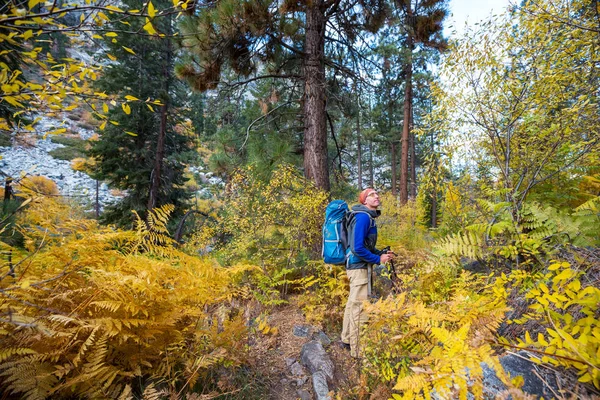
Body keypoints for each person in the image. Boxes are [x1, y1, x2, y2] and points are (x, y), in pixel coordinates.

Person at [340, 188, 394, 358]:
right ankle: (358, 351)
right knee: (359, 309)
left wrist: (381, 254)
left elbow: (365, 246)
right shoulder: (363, 217)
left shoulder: (364, 216)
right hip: (359, 268)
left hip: (356, 267)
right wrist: (378, 260)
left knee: (352, 304)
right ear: (364, 200)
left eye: (377, 194)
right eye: (371, 195)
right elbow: (357, 248)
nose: (376, 196)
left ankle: (347, 340)